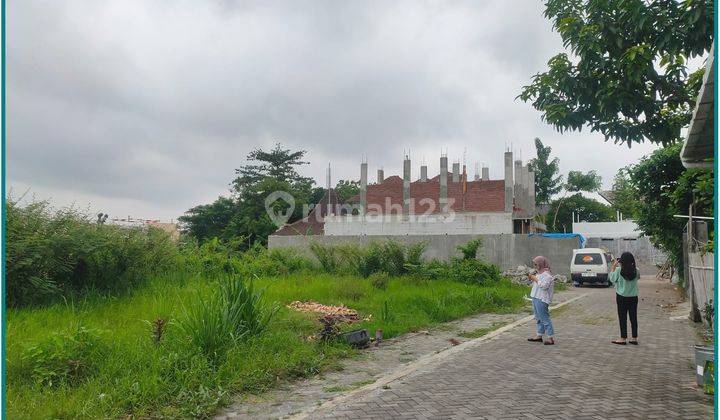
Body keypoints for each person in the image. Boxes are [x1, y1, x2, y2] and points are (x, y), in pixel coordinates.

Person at [609, 252, 640, 345]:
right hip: (633, 297)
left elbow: (612, 279)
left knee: (622, 317)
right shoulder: (636, 270)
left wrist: (613, 267)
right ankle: (634, 338)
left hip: (621, 297)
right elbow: (638, 278)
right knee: (633, 317)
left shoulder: (618, 270)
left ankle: (623, 338)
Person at [526, 256, 556, 345]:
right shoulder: (539, 273)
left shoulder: (548, 275)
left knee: (545, 319)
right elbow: (537, 285)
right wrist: (532, 278)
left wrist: (535, 278)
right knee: (538, 318)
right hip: (535, 297)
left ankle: (550, 338)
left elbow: (544, 286)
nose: (535, 266)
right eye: (534, 264)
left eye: (536, 264)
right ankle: (539, 336)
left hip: (542, 299)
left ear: (541, 264)